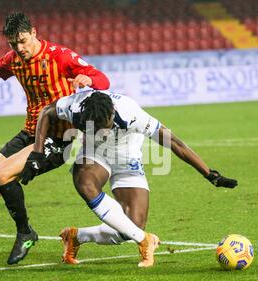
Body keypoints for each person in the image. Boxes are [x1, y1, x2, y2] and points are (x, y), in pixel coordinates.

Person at [0, 12, 110, 274]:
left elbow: (103, 79)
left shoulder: (59, 56)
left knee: (3, 176)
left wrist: (89, 80)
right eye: (13, 44)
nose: (20, 48)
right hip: (29, 131)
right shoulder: (14, 60)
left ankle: (25, 231)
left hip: (58, 137)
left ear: (34, 32)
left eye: (23, 41)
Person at [20, 90, 238, 267]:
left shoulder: (131, 114)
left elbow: (175, 143)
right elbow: (47, 112)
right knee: (85, 182)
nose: (101, 132)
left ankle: (76, 237)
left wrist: (208, 173)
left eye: (103, 127)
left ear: (112, 114)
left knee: (130, 226)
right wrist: (37, 154)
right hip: (95, 155)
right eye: (93, 128)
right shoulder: (76, 106)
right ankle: (144, 240)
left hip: (128, 160)